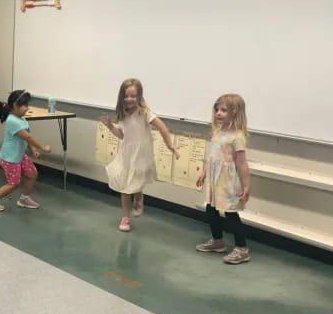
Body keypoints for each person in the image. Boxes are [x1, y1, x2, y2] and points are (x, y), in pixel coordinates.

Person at [101, 78, 177, 232]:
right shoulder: (122, 114)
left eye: (133, 96)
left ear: (139, 96)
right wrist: (110, 126)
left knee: (134, 183)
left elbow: (163, 128)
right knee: (124, 186)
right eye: (126, 96)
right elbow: (122, 135)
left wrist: (170, 145)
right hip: (126, 154)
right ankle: (125, 217)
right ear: (121, 96)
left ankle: (139, 196)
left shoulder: (145, 113)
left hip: (141, 154)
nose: (129, 99)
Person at [195, 93, 251, 264]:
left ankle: (242, 249)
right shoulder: (217, 132)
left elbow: (242, 163)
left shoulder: (237, 137)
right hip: (214, 179)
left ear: (235, 112)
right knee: (211, 209)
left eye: (224, 110)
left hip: (227, 180)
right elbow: (212, 156)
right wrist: (204, 172)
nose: (219, 113)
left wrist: (246, 185)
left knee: (230, 213)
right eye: (217, 110)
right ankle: (217, 241)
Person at [0, 90, 50, 212]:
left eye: (27, 105)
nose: (27, 108)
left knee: (32, 174)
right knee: (14, 183)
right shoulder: (12, 120)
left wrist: (33, 149)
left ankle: (25, 199)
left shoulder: (22, 119)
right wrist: (42, 147)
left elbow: (26, 136)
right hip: (10, 159)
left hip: (19, 156)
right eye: (24, 105)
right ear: (14, 106)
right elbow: (28, 137)